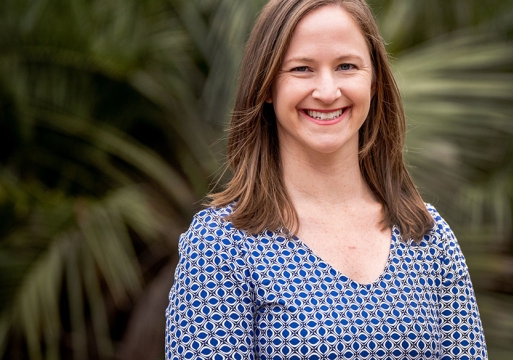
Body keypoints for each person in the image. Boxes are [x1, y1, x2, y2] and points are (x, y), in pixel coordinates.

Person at [164, 0, 487, 359]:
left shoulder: (427, 236)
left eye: (346, 66)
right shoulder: (222, 244)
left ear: (374, 81)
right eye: (302, 69)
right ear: (267, 85)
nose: (328, 91)